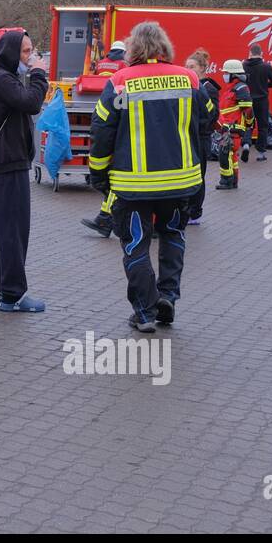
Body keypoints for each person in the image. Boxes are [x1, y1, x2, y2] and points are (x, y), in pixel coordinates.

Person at [89, 20, 208, 333]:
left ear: (133, 49)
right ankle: (167, 297)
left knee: (136, 246)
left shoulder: (119, 82)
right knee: (172, 237)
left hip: (133, 185)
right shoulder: (190, 79)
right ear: (165, 47)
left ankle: (144, 311)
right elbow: (207, 119)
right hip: (180, 182)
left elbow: (102, 131)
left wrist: (98, 174)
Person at [0, 30, 49, 312]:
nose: (29, 57)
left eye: (31, 51)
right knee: (13, 232)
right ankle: (13, 294)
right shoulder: (2, 79)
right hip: (10, 163)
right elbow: (31, 102)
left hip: (3, 163)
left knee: (1, 231)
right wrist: (39, 74)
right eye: (24, 52)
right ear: (9, 51)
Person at [81, 39, 130, 236]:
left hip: (104, 105)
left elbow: (103, 127)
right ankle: (105, 219)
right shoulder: (124, 67)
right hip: (121, 120)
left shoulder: (102, 62)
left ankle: (106, 219)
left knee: (116, 180)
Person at [184, 49, 219, 224]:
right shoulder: (187, 87)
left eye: (192, 66)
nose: (188, 69)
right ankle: (186, 208)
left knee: (198, 175)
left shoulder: (208, 88)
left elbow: (213, 115)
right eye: (186, 66)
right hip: (187, 136)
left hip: (201, 137)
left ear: (203, 68)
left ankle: (195, 212)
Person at [215, 59, 254, 191]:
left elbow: (248, 109)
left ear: (233, 75)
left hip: (234, 129)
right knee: (231, 156)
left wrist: (248, 126)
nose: (224, 75)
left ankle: (227, 181)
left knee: (224, 154)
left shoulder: (240, 88)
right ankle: (233, 181)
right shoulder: (231, 88)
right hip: (228, 128)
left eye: (226, 73)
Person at [243, 43, 272, 161]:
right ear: (261, 54)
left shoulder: (244, 65)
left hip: (248, 100)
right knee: (263, 126)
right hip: (262, 100)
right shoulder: (266, 66)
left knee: (248, 124)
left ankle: (246, 144)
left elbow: (241, 81)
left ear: (250, 53)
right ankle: (261, 153)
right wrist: (264, 85)